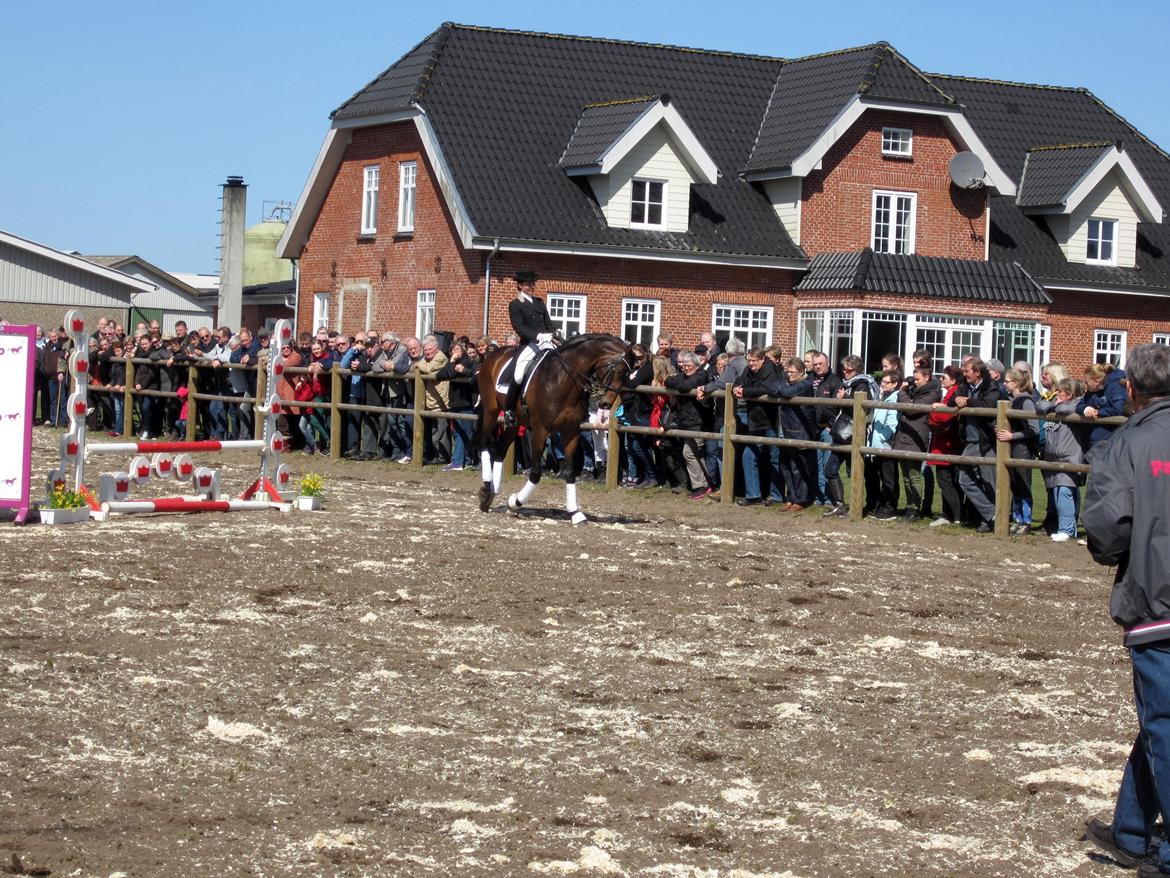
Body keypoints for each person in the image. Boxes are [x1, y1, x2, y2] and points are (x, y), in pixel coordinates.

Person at [1081, 343, 1170, 875]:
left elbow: (1108, 532)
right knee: (1160, 721)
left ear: (1131, 390)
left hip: (1157, 601)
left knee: (1164, 721)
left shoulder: (1126, 444)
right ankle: (1133, 829)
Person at [502, 270, 555, 428]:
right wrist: (537, 336)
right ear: (520, 285)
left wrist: (553, 332)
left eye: (532, 284)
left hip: (546, 341)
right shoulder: (515, 304)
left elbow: (548, 323)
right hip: (529, 344)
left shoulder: (539, 302)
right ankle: (510, 410)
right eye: (528, 284)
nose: (531, 286)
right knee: (518, 375)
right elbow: (519, 328)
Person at [1036, 377, 1084, 542]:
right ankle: (1067, 528)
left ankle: (1067, 530)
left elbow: (1070, 408)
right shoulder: (1055, 406)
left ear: (1069, 394)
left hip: (1069, 456)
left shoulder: (1077, 406)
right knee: (1057, 492)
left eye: (1060, 392)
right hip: (1052, 457)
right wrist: (1054, 405)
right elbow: (1040, 404)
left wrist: (1057, 406)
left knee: (1064, 491)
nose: (1056, 394)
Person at [892, 363, 940, 521]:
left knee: (914, 475)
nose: (915, 382)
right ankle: (909, 505)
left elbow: (912, 410)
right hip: (904, 435)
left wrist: (902, 393)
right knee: (905, 475)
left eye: (918, 379)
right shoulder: (915, 392)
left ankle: (915, 508)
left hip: (916, 437)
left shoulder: (931, 393)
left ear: (927, 378)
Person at [994, 368, 1039, 535]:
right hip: (1012, 446)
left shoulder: (1026, 401)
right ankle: (1017, 518)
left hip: (1022, 448)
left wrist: (1012, 435)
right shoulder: (1011, 400)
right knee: (1014, 484)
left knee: (1023, 483)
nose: (1004, 384)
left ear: (1017, 383)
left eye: (1007, 381)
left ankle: (1026, 520)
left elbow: (1033, 429)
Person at [926, 365, 963, 526]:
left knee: (946, 481)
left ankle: (953, 516)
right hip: (944, 442)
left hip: (946, 443)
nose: (941, 379)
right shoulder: (949, 394)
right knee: (948, 480)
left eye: (944, 377)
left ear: (953, 380)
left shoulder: (954, 394)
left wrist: (936, 411)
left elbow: (944, 417)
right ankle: (950, 514)